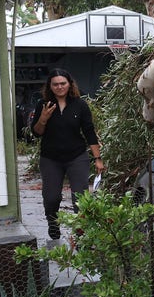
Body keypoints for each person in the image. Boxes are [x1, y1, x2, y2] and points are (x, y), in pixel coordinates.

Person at [31, 69, 105, 239]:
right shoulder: (43, 104)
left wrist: (98, 159)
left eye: (62, 83)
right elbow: (36, 133)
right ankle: (53, 223)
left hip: (77, 157)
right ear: (50, 86)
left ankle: (81, 235)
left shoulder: (80, 105)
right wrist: (43, 119)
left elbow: (89, 132)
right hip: (51, 158)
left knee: (80, 198)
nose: (59, 87)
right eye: (55, 84)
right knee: (51, 198)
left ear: (69, 84)